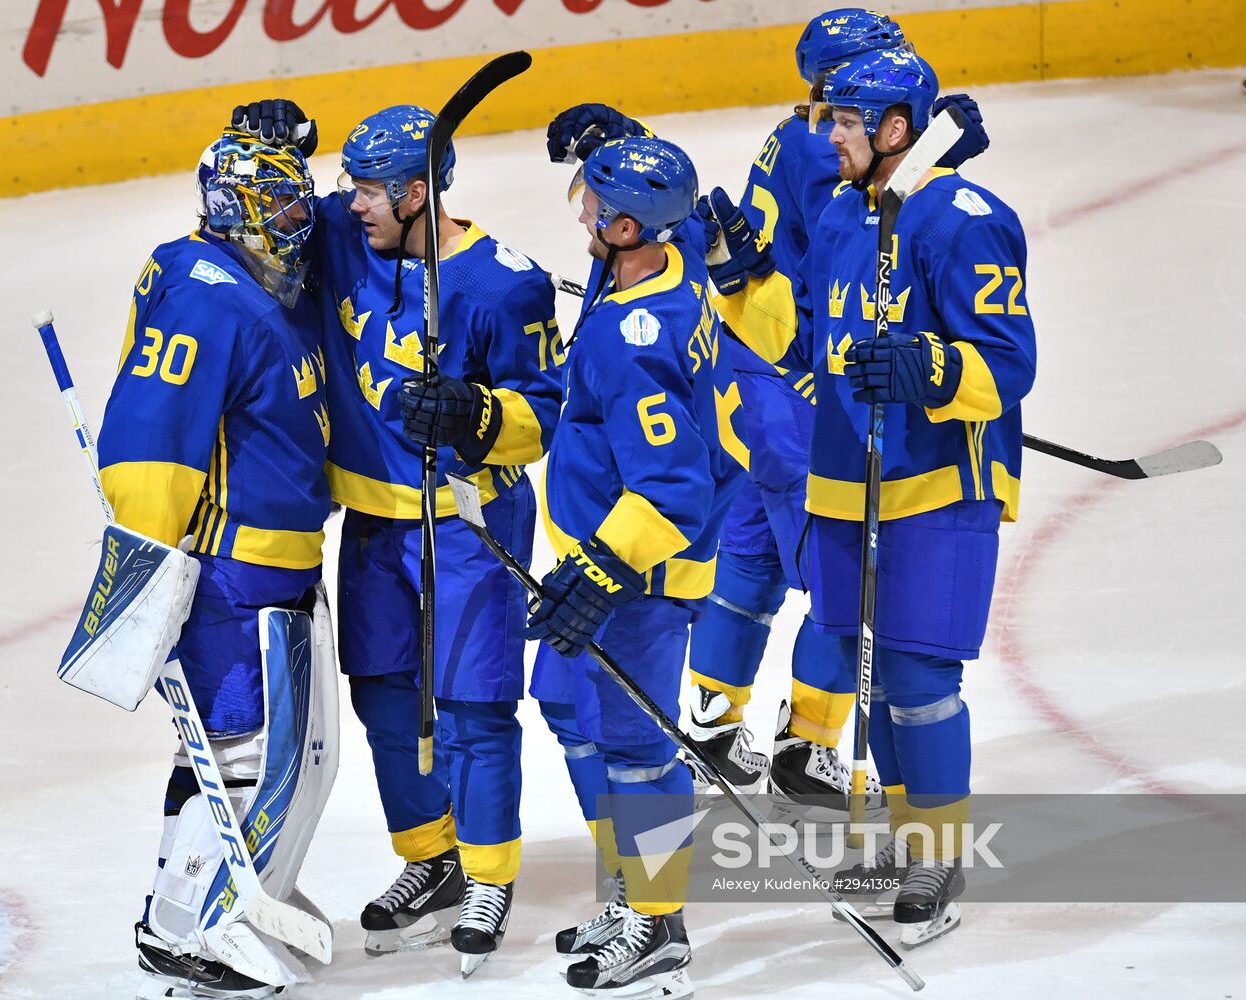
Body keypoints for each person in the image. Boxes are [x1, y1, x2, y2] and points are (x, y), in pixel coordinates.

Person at [542, 9, 992, 817]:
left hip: (737, 372)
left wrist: (624, 148)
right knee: (840, 580)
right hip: (799, 385)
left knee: (747, 558)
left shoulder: (794, 133)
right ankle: (809, 742)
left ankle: (713, 716)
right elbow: (859, 258)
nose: (895, 64)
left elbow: (675, 205)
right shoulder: (832, 150)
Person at [707, 46, 1035, 946]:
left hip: (937, 485)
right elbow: (803, 338)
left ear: (896, 130)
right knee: (882, 677)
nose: (830, 136)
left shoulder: (965, 219)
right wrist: (739, 283)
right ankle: (898, 838)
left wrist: (932, 365)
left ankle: (936, 858)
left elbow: (1010, 365)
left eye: (846, 123)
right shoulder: (843, 215)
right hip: (849, 478)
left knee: (921, 677)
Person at [230, 100, 563, 974]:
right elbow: (274, 204)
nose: (353, 204)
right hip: (376, 523)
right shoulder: (346, 232)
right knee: (384, 699)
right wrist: (271, 138)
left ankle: (490, 873)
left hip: (465, 521)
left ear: (418, 192)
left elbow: (547, 414)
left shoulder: (504, 282)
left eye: (370, 191)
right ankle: (432, 860)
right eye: (350, 188)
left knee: (471, 705)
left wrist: (478, 411)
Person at [96, 129, 338, 998]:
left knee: (274, 754)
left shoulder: (256, 280)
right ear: (232, 210)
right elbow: (150, 443)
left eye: (298, 199)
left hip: (276, 565)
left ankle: (217, 898)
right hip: (232, 575)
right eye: (277, 204)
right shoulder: (209, 298)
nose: (297, 218)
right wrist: (149, 575)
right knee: (246, 754)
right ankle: (196, 932)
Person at [528, 134, 730, 1000]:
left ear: (624, 225)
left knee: (643, 756)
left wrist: (603, 569)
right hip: (622, 564)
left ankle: (658, 928)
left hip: (642, 576)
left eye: (592, 200)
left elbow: (672, 489)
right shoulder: (664, 264)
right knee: (609, 738)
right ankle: (634, 899)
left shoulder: (635, 339)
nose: (578, 207)